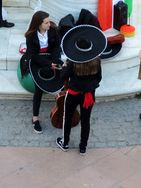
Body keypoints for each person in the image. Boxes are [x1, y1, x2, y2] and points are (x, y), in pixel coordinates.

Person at [56, 25, 106, 155]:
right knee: (86, 120)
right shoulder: (97, 61)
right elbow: (98, 78)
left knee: (67, 118)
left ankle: (65, 143)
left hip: (73, 94)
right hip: (88, 95)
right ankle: (83, 147)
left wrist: (65, 67)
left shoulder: (72, 62)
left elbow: (63, 77)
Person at [22, 11, 63, 133]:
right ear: (39, 24)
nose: (49, 24)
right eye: (46, 23)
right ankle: (35, 119)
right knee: (38, 89)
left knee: (62, 80)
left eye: (49, 21)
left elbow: (56, 46)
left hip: (51, 58)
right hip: (37, 60)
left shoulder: (53, 30)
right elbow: (32, 55)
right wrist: (48, 64)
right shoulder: (31, 36)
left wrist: (54, 62)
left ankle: (62, 112)